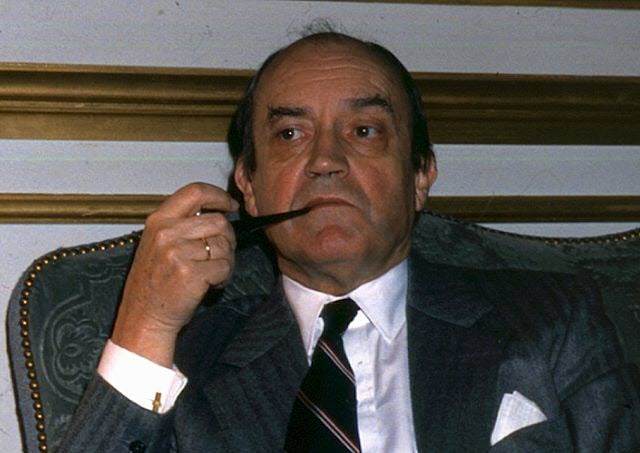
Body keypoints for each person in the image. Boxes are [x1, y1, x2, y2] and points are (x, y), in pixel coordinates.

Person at [60, 31, 639, 452]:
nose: (326, 161)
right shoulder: (189, 359)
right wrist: (146, 322)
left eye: (364, 131)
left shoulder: (551, 319)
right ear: (249, 188)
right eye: (290, 134)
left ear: (420, 176)